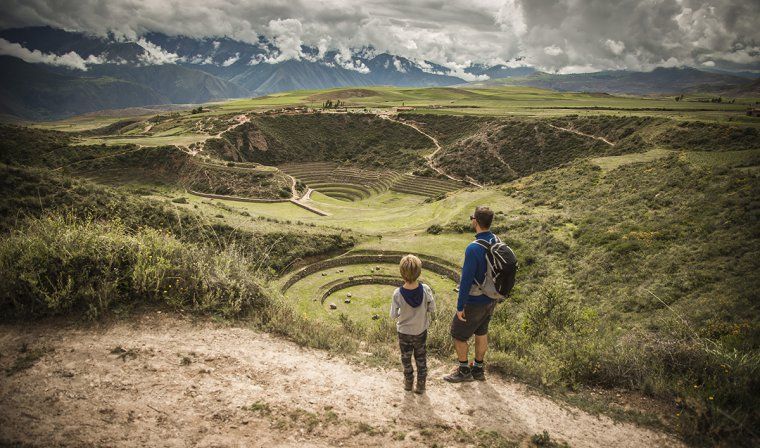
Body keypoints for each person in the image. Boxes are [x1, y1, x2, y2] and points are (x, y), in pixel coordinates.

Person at [444, 206, 497, 383]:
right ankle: (479, 370)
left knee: (458, 335)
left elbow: (465, 281)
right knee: (481, 333)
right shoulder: (497, 241)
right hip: (491, 299)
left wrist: (460, 307)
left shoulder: (473, 248)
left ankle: (464, 370)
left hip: (474, 301)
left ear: (475, 221)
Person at [390, 254, 436, 393]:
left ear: (402, 273)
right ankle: (421, 385)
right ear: (419, 272)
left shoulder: (397, 293)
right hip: (420, 331)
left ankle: (408, 382)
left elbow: (393, 315)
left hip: (404, 332)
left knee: (406, 358)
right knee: (421, 358)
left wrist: (402, 314)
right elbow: (432, 308)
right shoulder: (426, 289)